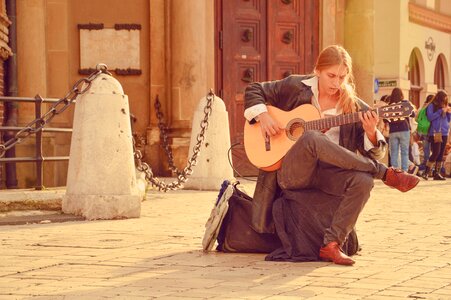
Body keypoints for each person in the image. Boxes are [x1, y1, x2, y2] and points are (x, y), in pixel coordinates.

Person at [243, 45, 419, 265]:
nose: (336, 83)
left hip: (328, 176)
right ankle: (384, 173)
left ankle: (332, 245)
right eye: (331, 76)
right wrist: (263, 116)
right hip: (292, 174)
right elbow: (254, 89)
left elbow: (377, 151)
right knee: (312, 138)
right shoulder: (295, 86)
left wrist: (371, 132)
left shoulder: (353, 106)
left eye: (342, 77)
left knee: (363, 181)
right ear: (317, 70)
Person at [421, 90, 451, 180]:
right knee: (435, 152)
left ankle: (436, 173)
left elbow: (448, 120)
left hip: (445, 132)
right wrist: (440, 111)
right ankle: (426, 172)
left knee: (441, 153)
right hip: (435, 132)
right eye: (444, 99)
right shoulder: (431, 106)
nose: (445, 101)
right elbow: (430, 117)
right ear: (440, 98)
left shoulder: (445, 106)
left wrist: (449, 113)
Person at [387, 88, 412, 172]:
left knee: (394, 152)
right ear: (401, 94)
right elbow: (413, 114)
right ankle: (405, 171)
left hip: (393, 131)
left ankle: (395, 171)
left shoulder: (389, 105)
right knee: (404, 152)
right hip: (404, 130)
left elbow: (385, 119)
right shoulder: (405, 103)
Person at [417, 94, 434, 171]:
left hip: (423, 130)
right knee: (433, 150)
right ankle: (429, 167)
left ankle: (425, 165)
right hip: (431, 130)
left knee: (426, 149)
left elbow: (417, 117)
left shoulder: (422, 107)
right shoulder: (432, 107)